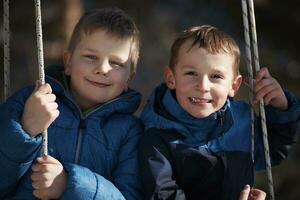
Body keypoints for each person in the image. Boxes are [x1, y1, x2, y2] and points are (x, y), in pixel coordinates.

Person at [138, 25, 300, 200]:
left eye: (216, 76)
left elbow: (273, 153)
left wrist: (279, 107)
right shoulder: (156, 139)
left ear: (234, 86)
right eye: (191, 73)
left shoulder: (243, 122)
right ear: (171, 78)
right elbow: (162, 196)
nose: (203, 86)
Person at [0, 7, 142, 200]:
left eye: (116, 63)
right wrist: (25, 129)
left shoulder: (130, 132)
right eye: (91, 57)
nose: (102, 69)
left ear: (129, 79)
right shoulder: (30, 102)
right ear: (68, 62)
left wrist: (69, 184)